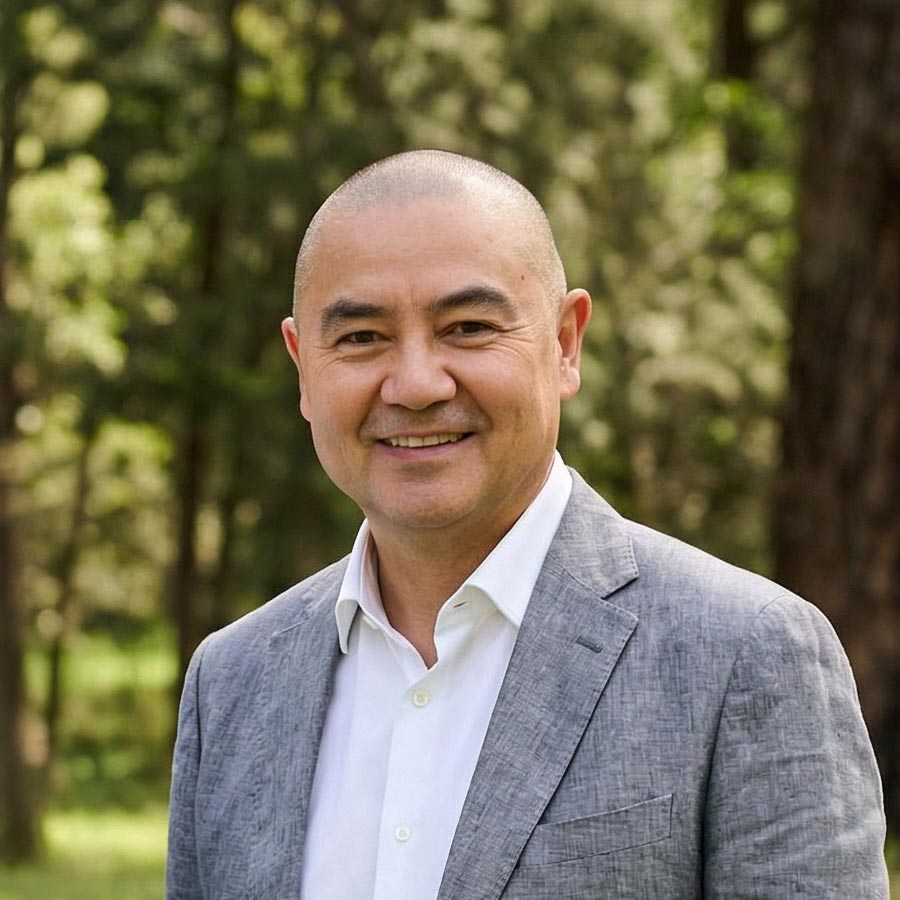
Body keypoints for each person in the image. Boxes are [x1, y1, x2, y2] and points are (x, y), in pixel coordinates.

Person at [165, 150, 888, 900]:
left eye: (468, 327)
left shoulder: (745, 652)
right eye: (361, 337)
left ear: (565, 343)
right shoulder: (232, 682)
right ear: (302, 368)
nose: (415, 385)